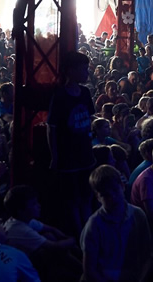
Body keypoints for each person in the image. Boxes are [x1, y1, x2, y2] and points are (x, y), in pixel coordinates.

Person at [46, 52, 97, 239]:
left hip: (85, 152)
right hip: (68, 155)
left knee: (87, 195)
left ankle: (88, 230)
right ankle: (79, 233)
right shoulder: (60, 96)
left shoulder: (85, 93)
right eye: (83, 68)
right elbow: (51, 128)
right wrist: (55, 156)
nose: (86, 72)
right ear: (71, 70)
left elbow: (90, 118)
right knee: (73, 198)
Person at [81, 165, 151, 282]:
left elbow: (147, 254)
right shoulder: (94, 225)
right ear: (98, 197)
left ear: (122, 186)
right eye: (106, 195)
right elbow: (90, 271)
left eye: (115, 190)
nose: (112, 197)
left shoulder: (138, 215)